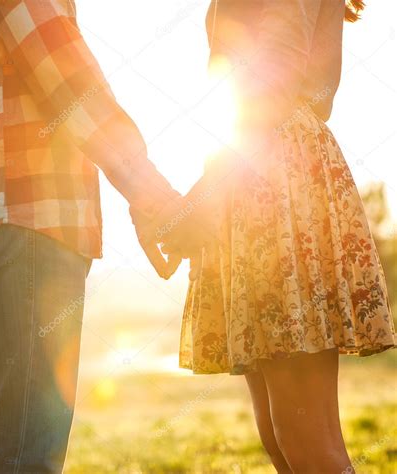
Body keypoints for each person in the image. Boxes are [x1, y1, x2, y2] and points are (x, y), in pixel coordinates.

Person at [0, 0, 182, 471]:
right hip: (24, 215)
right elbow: (66, 77)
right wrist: (151, 193)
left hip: (1, 218)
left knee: (5, 440)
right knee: (21, 455)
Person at [162, 1, 396, 472]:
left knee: (303, 438)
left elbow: (272, 87)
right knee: (281, 435)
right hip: (265, 174)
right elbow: (315, 95)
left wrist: (203, 195)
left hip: (272, 183)